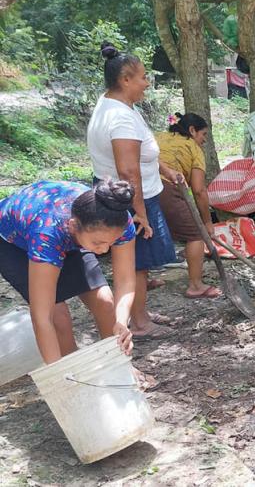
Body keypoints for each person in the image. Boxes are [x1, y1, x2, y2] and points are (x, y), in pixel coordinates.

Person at [86, 42, 176, 340]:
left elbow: (142, 154)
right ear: (125, 80)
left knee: (140, 262)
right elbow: (128, 170)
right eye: (143, 77)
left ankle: (141, 313)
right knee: (135, 264)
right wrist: (139, 213)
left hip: (121, 192)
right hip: (130, 199)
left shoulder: (113, 105)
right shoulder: (121, 117)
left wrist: (165, 170)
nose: (147, 83)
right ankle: (139, 323)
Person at [0, 180, 136, 363]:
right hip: (12, 242)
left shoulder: (118, 220)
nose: (104, 250)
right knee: (58, 318)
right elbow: (42, 317)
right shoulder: (47, 234)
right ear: (73, 226)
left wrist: (121, 321)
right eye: (98, 243)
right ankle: (73, 374)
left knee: (105, 302)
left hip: (69, 235)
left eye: (111, 243)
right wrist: (59, 378)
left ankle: (119, 367)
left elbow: (126, 280)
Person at [156, 112, 222, 300]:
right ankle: (195, 285)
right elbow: (199, 190)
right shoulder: (193, 148)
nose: (203, 141)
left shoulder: (158, 137)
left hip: (137, 189)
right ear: (192, 130)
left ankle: (141, 282)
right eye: (203, 135)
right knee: (195, 235)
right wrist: (207, 223)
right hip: (165, 189)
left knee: (144, 234)